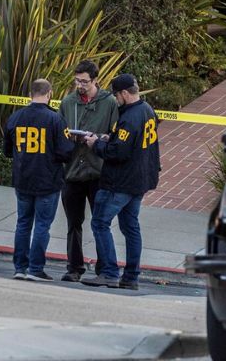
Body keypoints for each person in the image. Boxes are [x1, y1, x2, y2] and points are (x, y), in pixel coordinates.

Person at [80, 73, 160, 290]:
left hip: (121, 182)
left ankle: (109, 273)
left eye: (117, 95)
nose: (116, 99)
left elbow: (118, 152)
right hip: (140, 180)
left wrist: (96, 144)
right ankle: (131, 277)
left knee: (99, 222)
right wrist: (111, 137)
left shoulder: (129, 117)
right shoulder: (147, 111)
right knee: (130, 226)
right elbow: (132, 142)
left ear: (125, 93)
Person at [3, 79, 74, 282]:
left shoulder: (16, 117)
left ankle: (20, 267)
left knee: (23, 224)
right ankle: (35, 268)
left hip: (23, 179)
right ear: (50, 93)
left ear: (30, 94)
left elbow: (8, 150)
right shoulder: (55, 120)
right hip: (47, 181)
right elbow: (65, 152)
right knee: (42, 225)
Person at [58, 60, 119, 282]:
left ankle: (104, 269)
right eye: (77, 81)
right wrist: (68, 137)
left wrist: (102, 138)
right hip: (73, 171)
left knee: (101, 222)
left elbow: (116, 134)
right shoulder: (68, 102)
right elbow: (58, 132)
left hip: (98, 171)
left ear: (95, 80)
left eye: (85, 81)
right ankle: (74, 267)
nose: (80, 85)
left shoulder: (109, 103)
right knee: (73, 222)